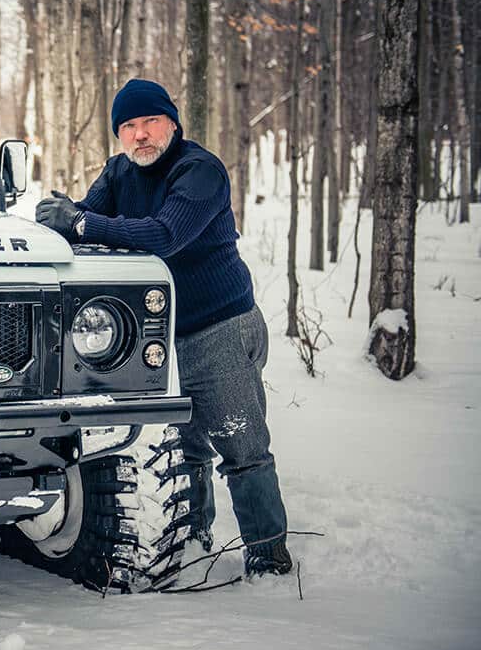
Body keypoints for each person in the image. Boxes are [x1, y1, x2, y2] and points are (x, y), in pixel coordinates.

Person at [35, 78, 292, 577]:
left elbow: (165, 235)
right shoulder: (119, 172)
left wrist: (82, 224)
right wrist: (62, 221)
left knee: (240, 445)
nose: (139, 135)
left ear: (172, 124)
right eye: (128, 127)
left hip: (221, 327)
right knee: (186, 443)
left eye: (149, 122)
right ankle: (194, 541)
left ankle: (269, 557)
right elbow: (87, 219)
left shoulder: (200, 171)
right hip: (164, 333)